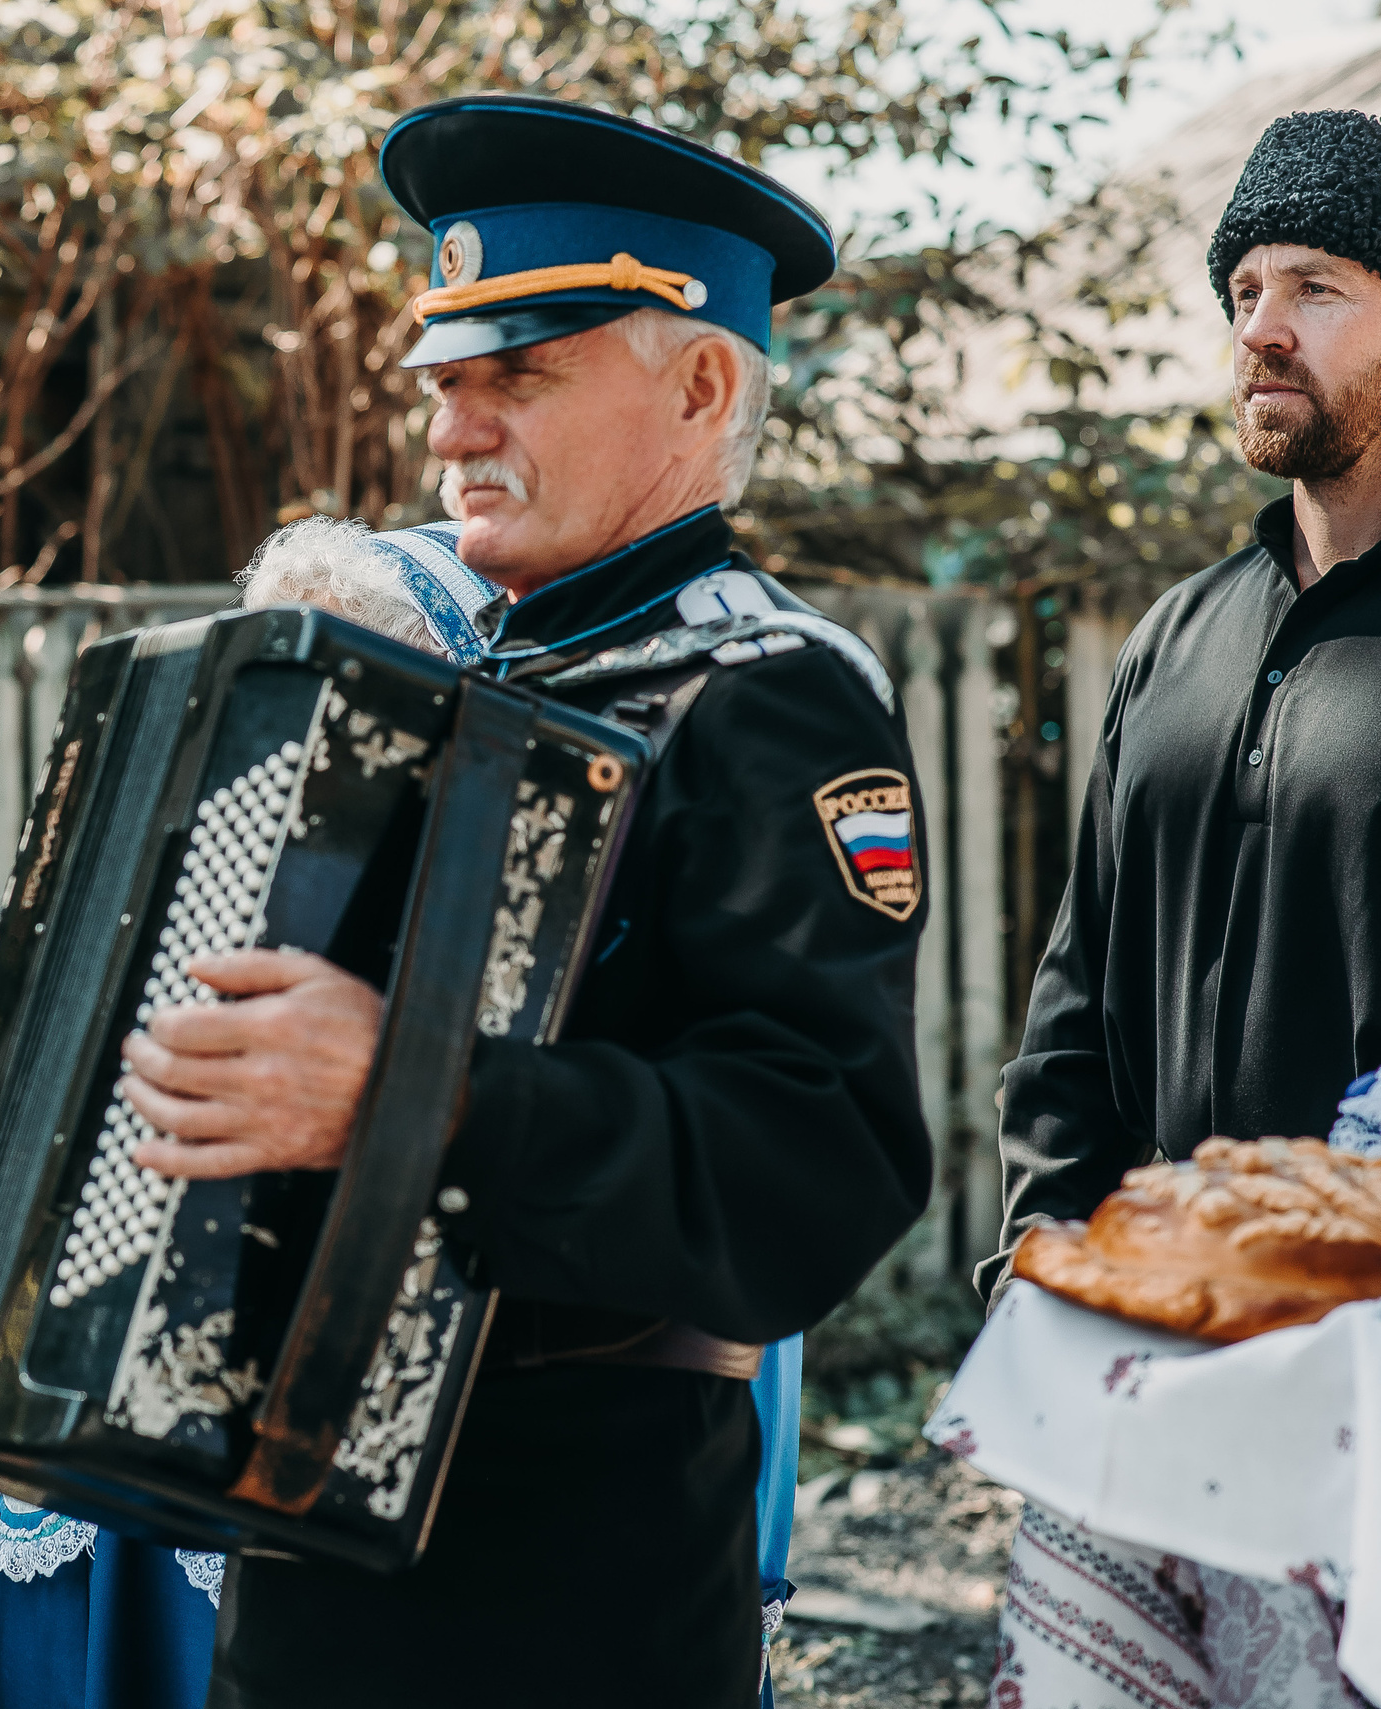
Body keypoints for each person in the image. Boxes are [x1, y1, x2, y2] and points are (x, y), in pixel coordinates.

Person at [126, 94, 932, 1708]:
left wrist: (410, 1090)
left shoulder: (763, 697)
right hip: (300, 1504)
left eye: (521, 376)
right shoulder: (408, 676)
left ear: (701, 384)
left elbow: (816, 1170)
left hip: (573, 1561)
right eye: (446, 383)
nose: (450, 433)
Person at [0, 518, 495, 1709]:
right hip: (98, 1508)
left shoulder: (491, 941)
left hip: (336, 1521)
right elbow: (30, 1221)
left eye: (355, 685)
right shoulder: (153, 893)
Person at [977, 108, 1381, 1706]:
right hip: (1137, 1366)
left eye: (1320, 285)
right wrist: (1041, 1259)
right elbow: (1074, 993)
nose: (1260, 328)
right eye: (1243, 289)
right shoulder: (1176, 638)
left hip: (1359, 1395)